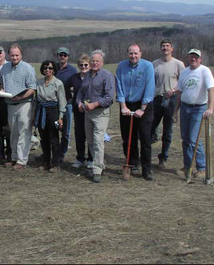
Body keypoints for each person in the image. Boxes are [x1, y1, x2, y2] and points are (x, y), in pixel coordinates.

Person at [174, 49, 214, 179]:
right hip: (185, 108)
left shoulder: (205, 71)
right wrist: (175, 111)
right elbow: (179, 92)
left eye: (196, 57)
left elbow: (211, 90)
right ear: (188, 58)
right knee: (185, 139)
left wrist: (210, 108)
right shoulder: (185, 72)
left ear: (200, 59)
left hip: (198, 108)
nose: (193, 59)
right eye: (191, 56)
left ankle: (201, 168)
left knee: (193, 139)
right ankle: (187, 166)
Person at [115, 44, 155, 181]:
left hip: (144, 105)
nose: (133, 56)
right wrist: (123, 106)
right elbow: (119, 86)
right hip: (126, 105)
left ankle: (146, 169)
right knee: (128, 138)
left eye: (136, 53)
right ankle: (132, 163)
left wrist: (142, 108)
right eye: (131, 53)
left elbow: (150, 87)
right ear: (128, 54)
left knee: (145, 139)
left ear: (141, 53)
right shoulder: (121, 66)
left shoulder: (148, 66)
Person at [76, 50, 115, 183]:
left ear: (102, 63)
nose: (94, 63)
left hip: (101, 113)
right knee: (91, 141)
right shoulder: (87, 76)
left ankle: (97, 170)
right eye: (92, 61)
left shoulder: (107, 76)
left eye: (97, 61)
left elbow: (109, 97)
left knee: (98, 140)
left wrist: (95, 104)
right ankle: (100, 163)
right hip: (88, 113)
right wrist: (80, 103)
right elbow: (80, 92)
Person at [0, 44, 37, 170]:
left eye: (17, 55)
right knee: (13, 133)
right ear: (9, 55)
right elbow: (1, 83)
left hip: (24, 104)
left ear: (21, 55)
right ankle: (14, 158)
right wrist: (2, 91)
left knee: (24, 132)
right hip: (10, 104)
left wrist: (21, 97)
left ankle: (22, 160)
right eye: (12, 55)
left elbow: (32, 88)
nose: (14, 57)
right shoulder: (5, 68)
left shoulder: (28, 68)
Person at [150, 39, 185, 168]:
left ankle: (163, 158)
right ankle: (146, 155)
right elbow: (151, 82)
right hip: (157, 100)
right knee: (150, 127)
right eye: (163, 46)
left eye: (167, 46)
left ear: (172, 48)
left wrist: (173, 91)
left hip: (171, 100)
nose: (165, 48)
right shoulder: (154, 64)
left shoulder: (178, 64)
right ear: (160, 48)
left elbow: (183, 83)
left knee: (167, 130)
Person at [34, 60, 66, 172]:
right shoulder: (38, 83)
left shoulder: (58, 83)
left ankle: (55, 163)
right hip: (41, 111)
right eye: (45, 68)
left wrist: (61, 117)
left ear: (53, 70)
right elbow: (36, 100)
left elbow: (62, 101)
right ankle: (46, 162)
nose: (48, 70)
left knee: (53, 138)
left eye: (50, 68)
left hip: (53, 111)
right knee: (44, 138)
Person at [68, 54, 93, 169]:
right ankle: (80, 158)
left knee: (91, 135)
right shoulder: (74, 77)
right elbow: (67, 89)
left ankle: (91, 159)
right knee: (79, 135)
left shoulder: (93, 76)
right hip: (78, 110)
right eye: (81, 65)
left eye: (86, 64)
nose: (83, 66)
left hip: (91, 110)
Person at [55, 47, 77, 163]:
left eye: (65, 55)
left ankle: (62, 153)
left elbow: (76, 85)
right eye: (60, 54)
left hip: (67, 103)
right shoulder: (53, 67)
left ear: (68, 57)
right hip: (54, 104)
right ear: (57, 56)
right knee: (53, 129)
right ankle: (53, 151)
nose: (62, 57)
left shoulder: (72, 70)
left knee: (66, 131)